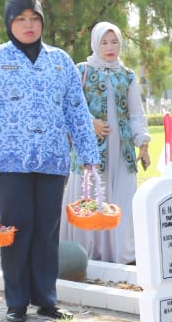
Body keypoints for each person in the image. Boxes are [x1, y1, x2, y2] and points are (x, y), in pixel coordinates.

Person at [0, 0, 100, 322]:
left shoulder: (60, 61)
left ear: (42, 21)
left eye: (34, 18)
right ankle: (16, 301)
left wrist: (88, 153)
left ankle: (46, 298)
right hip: (6, 161)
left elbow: (77, 111)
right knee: (16, 227)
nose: (28, 25)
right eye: (21, 19)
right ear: (9, 22)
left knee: (46, 229)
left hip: (52, 161)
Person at [60, 22, 150, 264]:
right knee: (88, 194)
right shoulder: (81, 71)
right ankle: (84, 252)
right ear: (95, 44)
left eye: (114, 42)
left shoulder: (127, 75)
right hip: (90, 149)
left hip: (121, 149)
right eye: (104, 42)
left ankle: (121, 253)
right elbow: (69, 106)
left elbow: (135, 113)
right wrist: (91, 123)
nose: (110, 47)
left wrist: (143, 143)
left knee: (121, 195)